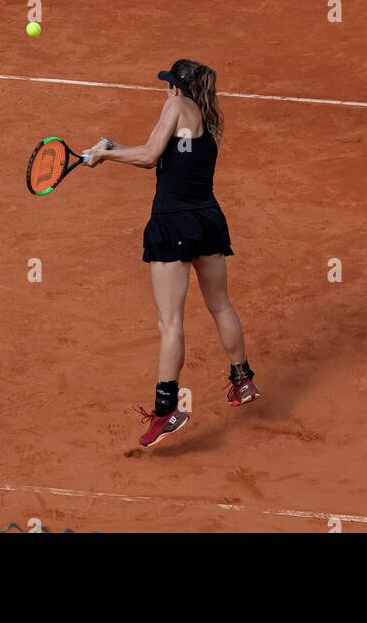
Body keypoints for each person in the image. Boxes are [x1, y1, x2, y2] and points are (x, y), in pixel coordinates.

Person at [84, 59, 258, 448]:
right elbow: (159, 156)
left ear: (178, 87)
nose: (166, 89)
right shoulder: (209, 119)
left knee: (170, 323)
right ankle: (242, 380)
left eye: (169, 83)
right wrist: (111, 148)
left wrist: (107, 157)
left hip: (173, 226)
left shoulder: (175, 106)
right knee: (221, 306)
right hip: (207, 221)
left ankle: (166, 410)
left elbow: (149, 157)